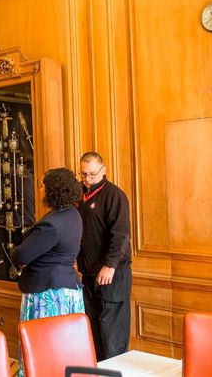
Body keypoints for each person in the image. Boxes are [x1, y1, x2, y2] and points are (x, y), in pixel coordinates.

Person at [11, 168, 84, 377]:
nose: (40, 189)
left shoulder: (52, 223)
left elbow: (21, 255)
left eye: (43, 185)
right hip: (68, 289)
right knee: (65, 350)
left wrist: (17, 254)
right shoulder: (73, 215)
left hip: (48, 293)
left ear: (52, 190)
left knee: (43, 351)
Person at [77, 152, 132, 361]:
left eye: (92, 174)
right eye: (83, 175)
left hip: (113, 273)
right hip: (89, 274)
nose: (87, 179)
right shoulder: (80, 195)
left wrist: (110, 265)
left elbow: (121, 234)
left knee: (112, 335)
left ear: (103, 170)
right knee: (93, 332)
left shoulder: (114, 195)